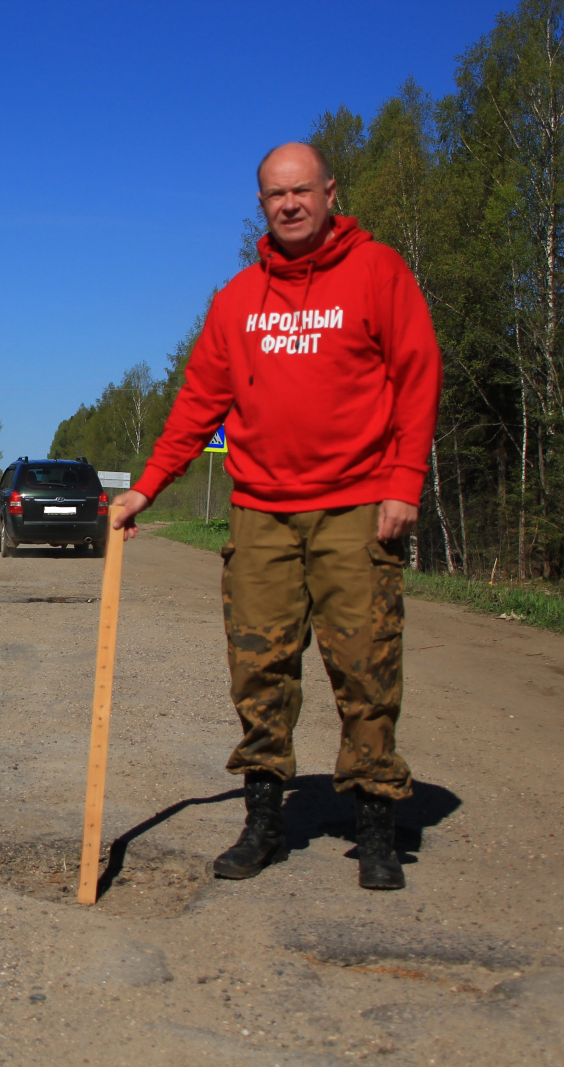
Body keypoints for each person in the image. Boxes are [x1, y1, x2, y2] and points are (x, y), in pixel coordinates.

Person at [108, 142, 443, 890]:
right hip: (262, 512)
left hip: (356, 505)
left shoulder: (377, 271)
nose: (289, 204)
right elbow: (199, 403)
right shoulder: (237, 299)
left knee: (365, 667)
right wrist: (148, 488)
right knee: (258, 669)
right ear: (261, 206)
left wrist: (404, 481)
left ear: (329, 192)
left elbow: (418, 374)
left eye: (301, 191)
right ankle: (264, 819)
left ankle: (377, 824)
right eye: (274, 195)